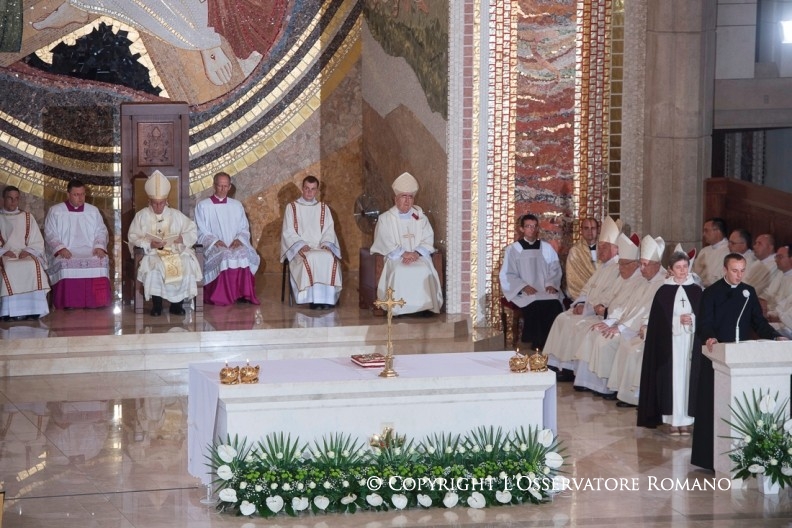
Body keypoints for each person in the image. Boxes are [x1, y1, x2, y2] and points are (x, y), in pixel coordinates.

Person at [690, 253, 786, 471]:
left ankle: (740, 457)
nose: (739, 275)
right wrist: (709, 337)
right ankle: (708, 459)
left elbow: (758, 322)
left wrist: (774, 336)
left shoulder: (748, 292)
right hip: (716, 356)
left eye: (742, 270)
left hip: (739, 358)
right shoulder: (711, 293)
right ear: (725, 269)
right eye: (735, 270)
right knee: (712, 406)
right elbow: (704, 322)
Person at [577, 235, 666, 401]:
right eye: (641, 264)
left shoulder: (662, 283)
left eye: (645, 265)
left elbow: (644, 313)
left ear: (657, 265)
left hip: (640, 329)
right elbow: (624, 306)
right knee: (600, 333)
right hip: (628, 325)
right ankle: (603, 385)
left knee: (611, 341)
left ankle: (625, 393)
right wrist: (608, 321)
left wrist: (621, 328)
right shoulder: (644, 280)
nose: (642, 269)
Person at [544, 216, 622, 377]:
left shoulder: (618, 268)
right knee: (562, 318)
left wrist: (588, 309)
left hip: (597, 314)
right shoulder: (604, 266)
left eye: (603, 247)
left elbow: (610, 296)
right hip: (586, 308)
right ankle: (556, 363)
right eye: (600, 247)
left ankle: (569, 368)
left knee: (577, 325)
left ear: (614, 248)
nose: (600, 250)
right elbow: (587, 288)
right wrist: (579, 303)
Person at [637, 251, 703, 435]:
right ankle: (673, 420)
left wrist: (692, 319)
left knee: (688, 379)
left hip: (690, 343)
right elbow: (658, 322)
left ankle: (687, 420)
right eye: (678, 267)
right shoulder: (663, 291)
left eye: (685, 267)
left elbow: (703, 317)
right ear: (671, 270)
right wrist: (676, 321)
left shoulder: (696, 290)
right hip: (670, 345)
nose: (682, 271)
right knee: (672, 379)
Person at [128, 171, 201, 316]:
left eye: (161, 203)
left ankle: (177, 304)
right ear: (149, 201)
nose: (158, 206)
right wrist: (149, 243)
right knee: (156, 265)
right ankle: (157, 305)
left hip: (175, 250)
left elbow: (192, 231)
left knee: (185, 262)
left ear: (166, 200)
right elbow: (133, 236)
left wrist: (182, 238)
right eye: (155, 203)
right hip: (153, 253)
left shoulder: (176, 214)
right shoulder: (141, 216)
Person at [370, 172, 443, 316]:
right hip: (395, 257)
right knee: (400, 271)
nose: (407, 201)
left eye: (410, 197)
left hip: (419, 256)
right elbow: (384, 241)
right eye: (404, 196)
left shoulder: (420, 217)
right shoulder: (386, 218)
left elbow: (428, 239)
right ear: (395, 199)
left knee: (424, 271)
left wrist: (416, 253)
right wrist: (403, 253)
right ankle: (400, 309)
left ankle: (423, 308)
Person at [499, 214, 563, 350]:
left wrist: (551, 284)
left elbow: (555, 268)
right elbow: (508, 274)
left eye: (534, 226)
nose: (531, 230)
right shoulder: (513, 249)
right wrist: (523, 286)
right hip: (525, 291)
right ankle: (536, 342)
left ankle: (553, 343)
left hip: (545, 289)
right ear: (521, 229)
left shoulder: (546, 248)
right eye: (528, 226)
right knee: (534, 304)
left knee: (554, 304)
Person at [44, 179, 111, 309]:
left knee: (101, 260)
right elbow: (50, 232)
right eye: (76, 194)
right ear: (68, 194)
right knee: (65, 263)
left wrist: (99, 247)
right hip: (66, 250)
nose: (80, 198)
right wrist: (61, 248)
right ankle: (69, 303)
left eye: (82, 194)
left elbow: (101, 230)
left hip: (89, 249)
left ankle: (98, 301)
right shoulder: (56, 211)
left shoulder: (93, 211)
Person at [195, 172, 260, 306]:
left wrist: (239, 240)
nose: (223, 189)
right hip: (214, 246)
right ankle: (223, 296)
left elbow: (244, 228)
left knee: (243, 253)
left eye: (226, 186)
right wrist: (215, 241)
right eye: (220, 186)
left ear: (230, 187)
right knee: (225, 255)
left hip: (234, 243)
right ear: (214, 186)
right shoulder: (203, 206)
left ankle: (243, 294)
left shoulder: (236, 205)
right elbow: (200, 230)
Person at [280, 175, 342, 309]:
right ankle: (313, 300)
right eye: (307, 188)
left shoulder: (323, 208)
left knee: (329, 257)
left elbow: (329, 229)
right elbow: (288, 231)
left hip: (320, 246)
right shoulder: (291, 207)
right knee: (311, 257)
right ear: (302, 188)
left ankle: (327, 299)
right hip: (301, 249)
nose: (309, 192)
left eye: (313, 189)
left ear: (317, 191)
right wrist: (300, 245)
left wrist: (326, 243)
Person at [0, 186, 50, 320]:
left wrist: (28, 251)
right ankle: (9, 312)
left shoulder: (27, 217)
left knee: (33, 265)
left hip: (24, 253)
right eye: (10, 198)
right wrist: (3, 251)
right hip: (6, 255)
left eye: (16, 199)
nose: (13, 202)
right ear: (3, 199)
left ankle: (34, 309)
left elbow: (37, 241)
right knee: (9, 267)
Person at [728, 228, 771, 296]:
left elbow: (745, 282)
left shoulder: (750, 261)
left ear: (743, 245)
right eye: (729, 242)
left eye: (733, 243)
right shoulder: (731, 256)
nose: (729, 245)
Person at [565, 217, 599, 300]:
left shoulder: (606, 249)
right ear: (581, 230)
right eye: (586, 228)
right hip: (583, 293)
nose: (590, 231)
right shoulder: (575, 251)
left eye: (593, 228)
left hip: (604, 293)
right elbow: (572, 277)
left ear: (598, 230)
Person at [692, 217, 729, 288]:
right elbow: (694, 270)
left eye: (706, 231)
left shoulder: (728, 251)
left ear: (717, 231)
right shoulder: (704, 250)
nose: (704, 234)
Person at [767, 244, 792, 338]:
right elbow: (784, 303)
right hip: (781, 321)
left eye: (780, 257)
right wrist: (770, 314)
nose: (776, 260)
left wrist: (779, 316)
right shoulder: (780, 275)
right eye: (776, 257)